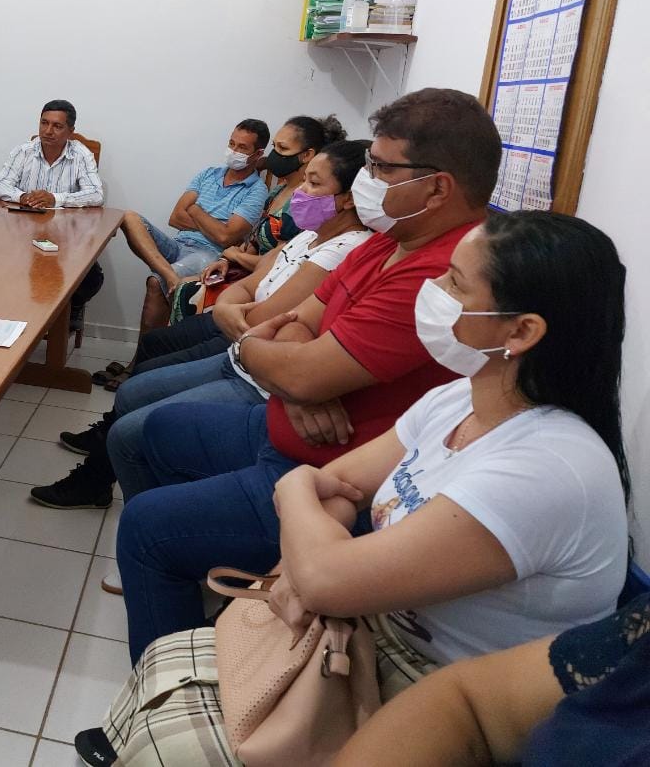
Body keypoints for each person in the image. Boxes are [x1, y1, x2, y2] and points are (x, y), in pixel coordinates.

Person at [78, 211, 632, 766]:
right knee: (169, 664)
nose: (431, 289)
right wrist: (314, 538)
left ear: (521, 331)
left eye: (454, 283)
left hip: (442, 697)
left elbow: (325, 562)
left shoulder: (549, 468)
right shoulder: (462, 398)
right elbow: (336, 484)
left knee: (168, 741)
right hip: (366, 634)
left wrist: (308, 526)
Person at [112, 87, 503, 659]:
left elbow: (299, 351)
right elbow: (298, 325)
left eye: (380, 167)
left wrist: (294, 369)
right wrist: (293, 375)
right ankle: (196, 594)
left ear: (437, 186)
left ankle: (169, 693)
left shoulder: (438, 272)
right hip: (280, 423)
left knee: (147, 525)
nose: (366, 177)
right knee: (143, 434)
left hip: (330, 469)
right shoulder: (386, 242)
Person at [31, 139, 372, 510]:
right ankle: (107, 469)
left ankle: (136, 502)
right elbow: (247, 280)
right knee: (138, 376)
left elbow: (263, 312)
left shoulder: (342, 249)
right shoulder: (310, 233)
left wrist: (232, 299)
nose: (301, 193)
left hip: (251, 363)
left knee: (135, 417)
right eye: (304, 181)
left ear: (349, 197)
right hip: (238, 339)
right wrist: (230, 300)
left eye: (314, 184)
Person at [335, 591, 650, 766]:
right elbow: (469, 705)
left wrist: (298, 490)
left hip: (408, 652)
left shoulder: (551, 482)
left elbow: (324, 579)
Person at [116, 120, 270, 336]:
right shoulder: (208, 174)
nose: (233, 151)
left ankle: (137, 364)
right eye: (231, 143)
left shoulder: (256, 191)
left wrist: (196, 210)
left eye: (242, 147)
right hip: (178, 243)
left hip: (209, 254)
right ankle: (168, 273)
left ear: (257, 154)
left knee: (154, 283)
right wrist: (213, 225)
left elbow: (226, 238)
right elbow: (175, 218)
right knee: (129, 217)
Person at [0, 98, 105, 329]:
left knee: (92, 278)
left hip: (66, 239)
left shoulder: (81, 154)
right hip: (23, 238)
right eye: (44, 123)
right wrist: (21, 196)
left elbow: (95, 194)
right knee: (1, 271)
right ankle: (19, 320)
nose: (48, 131)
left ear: (70, 131)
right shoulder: (24, 151)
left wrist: (55, 198)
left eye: (57, 126)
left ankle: (69, 311)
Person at [222, 114, 346, 273]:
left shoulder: (305, 202)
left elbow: (280, 264)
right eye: (274, 146)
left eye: (283, 148)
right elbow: (255, 242)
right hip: (248, 271)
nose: (274, 155)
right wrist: (225, 260)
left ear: (307, 155)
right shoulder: (278, 190)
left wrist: (235, 257)